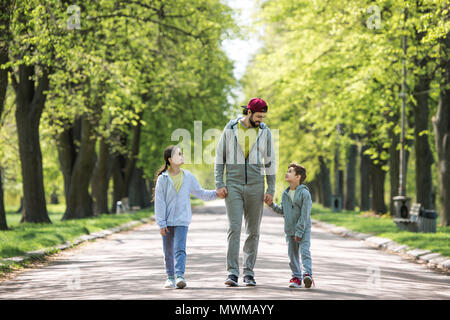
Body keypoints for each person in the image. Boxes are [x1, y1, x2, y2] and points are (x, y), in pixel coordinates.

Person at [215, 97, 276, 287]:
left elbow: (270, 161)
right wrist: (219, 182)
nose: (261, 120)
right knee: (234, 228)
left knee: (253, 231)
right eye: (258, 116)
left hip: (256, 186)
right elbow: (220, 157)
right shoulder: (231, 128)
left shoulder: (265, 132)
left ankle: (248, 273)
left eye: (263, 117)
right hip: (233, 184)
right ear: (248, 112)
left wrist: (271, 188)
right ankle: (232, 272)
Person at [153, 145, 225, 289]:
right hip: (166, 221)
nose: (182, 156)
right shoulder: (163, 179)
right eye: (178, 154)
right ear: (170, 159)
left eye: (182, 153)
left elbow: (201, 193)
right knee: (168, 250)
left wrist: (216, 194)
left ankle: (180, 276)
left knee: (180, 248)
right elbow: (159, 202)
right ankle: (170, 277)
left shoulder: (188, 177)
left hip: (182, 220)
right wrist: (161, 223)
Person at [265, 163, 314, 288]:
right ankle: (296, 278)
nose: (287, 173)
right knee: (292, 255)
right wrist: (271, 205)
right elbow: (282, 211)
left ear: (298, 177)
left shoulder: (305, 194)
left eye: (290, 171)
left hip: (303, 229)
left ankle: (307, 274)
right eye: (287, 171)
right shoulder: (285, 194)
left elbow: (305, 215)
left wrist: (299, 232)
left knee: (304, 251)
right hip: (289, 229)